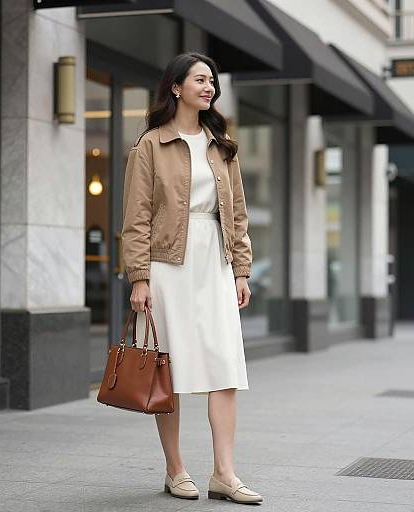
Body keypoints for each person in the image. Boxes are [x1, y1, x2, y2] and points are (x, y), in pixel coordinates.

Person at [121, 52, 262, 505]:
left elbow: (236, 215)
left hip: (214, 265)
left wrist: (241, 270)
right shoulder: (150, 145)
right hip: (167, 268)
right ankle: (175, 469)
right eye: (201, 80)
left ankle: (225, 473)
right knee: (170, 368)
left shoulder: (222, 146)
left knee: (225, 368)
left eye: (213, 81)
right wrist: (139, 277)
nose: (210, 88)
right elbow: (137, 217)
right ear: (176, 87)